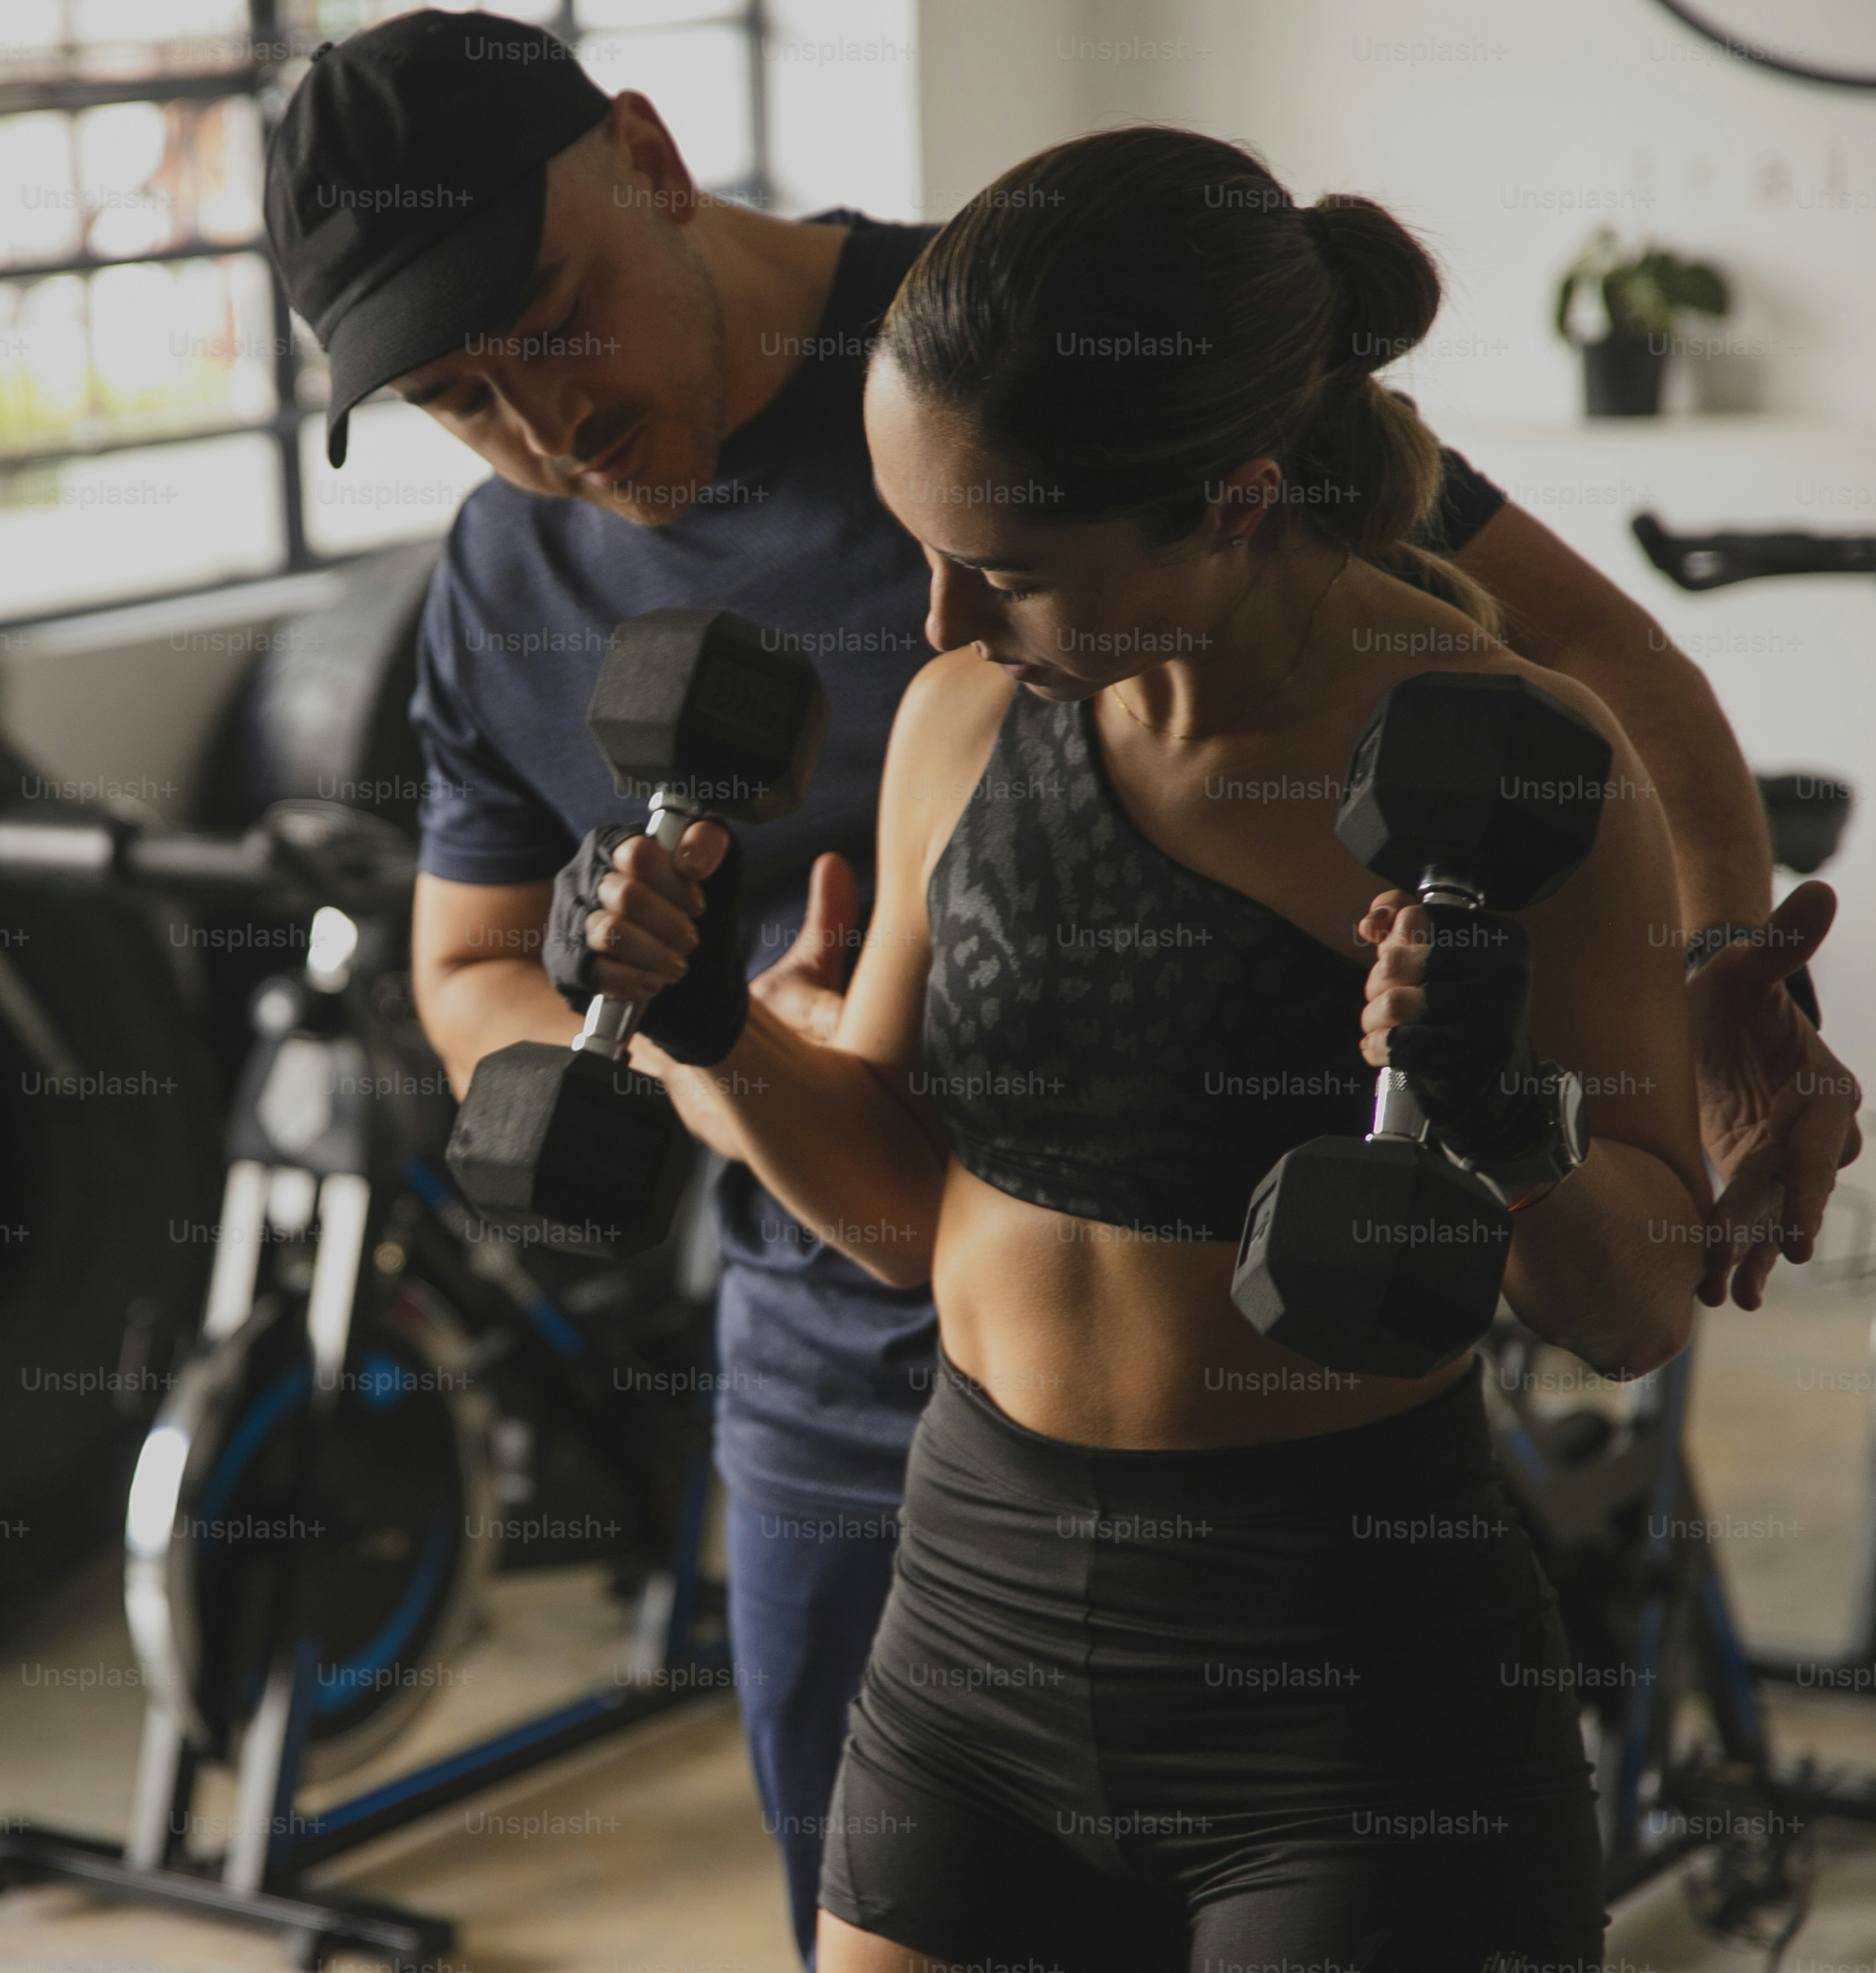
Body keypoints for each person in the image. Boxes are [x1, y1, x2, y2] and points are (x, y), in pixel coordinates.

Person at [258, 13, 1861, 1959]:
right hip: (931, 1532)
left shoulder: (1060, 348)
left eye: (549, 317)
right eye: (452, 396)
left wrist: (1667, 1015)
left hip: (1330, 1609)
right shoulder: (831, 669)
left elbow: (1615, 705)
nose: (533, 422)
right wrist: (698, 1026)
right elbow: (585, 1032)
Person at [587, 124, 1700, 1964]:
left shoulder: (1514, 759)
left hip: (1348, 1687)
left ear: (1234, 499)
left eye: (1004, 570)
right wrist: (706, 1021)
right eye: (919, 549)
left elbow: (1634, 1306)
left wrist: (1514, 1126)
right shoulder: (960, 721)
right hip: (968, 1636)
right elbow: (900, 1208)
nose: (937, 620)